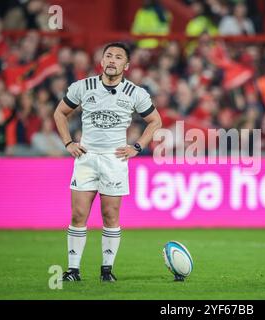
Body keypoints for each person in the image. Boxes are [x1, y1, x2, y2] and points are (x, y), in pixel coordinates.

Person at [54, 42, 162, 282]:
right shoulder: (83, 87)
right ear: (102, 62)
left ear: (127, 65)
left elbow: (155, 121)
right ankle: (73, 271)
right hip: (87, 157)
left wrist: (137, 147)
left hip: (115, 159)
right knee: (78, 214)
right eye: (108, 56)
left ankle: (106, 271)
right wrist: (68, 143)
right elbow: (59, 112)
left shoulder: (136, 92)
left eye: (118, 57)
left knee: (110, 214)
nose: (112, 60)